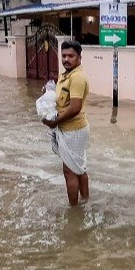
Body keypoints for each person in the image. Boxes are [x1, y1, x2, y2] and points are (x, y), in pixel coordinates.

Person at [42, 40, 90, 206]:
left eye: (71, 56)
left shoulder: (77, 77)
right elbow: (63, 99)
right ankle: (85, 202)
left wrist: (54, 122)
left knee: (70, 171)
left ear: (79, 58)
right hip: (72, 129)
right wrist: (49, 92)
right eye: (64, 55)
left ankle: (74, 210)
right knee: (78, 168)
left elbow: (75, 107)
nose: (66, 59)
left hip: (73, 130)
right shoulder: (66, 75)